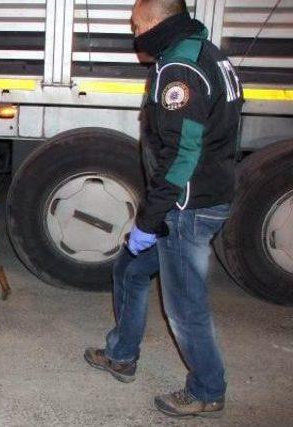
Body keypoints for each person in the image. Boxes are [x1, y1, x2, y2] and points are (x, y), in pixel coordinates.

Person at [83, 0, 243, 418]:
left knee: (185, 305)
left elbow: (181, 156)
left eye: (136, 24)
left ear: (155, 21)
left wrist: (151, 220)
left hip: (187, 206)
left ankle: (208, 389)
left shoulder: (181, 70)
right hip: (199, 196)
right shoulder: (205, 53)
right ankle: (121, 354)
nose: (134, 33)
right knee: (130, 270)